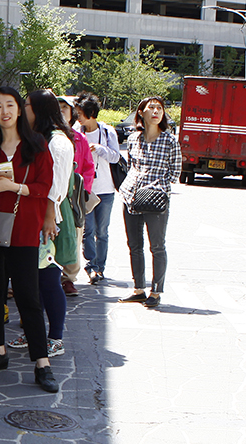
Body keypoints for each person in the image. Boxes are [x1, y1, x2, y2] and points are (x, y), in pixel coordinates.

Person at [0, 86, 58, 393]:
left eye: (10, 105)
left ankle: (42, 363)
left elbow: (43, 187)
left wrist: (13, 186)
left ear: (19, 109)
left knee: (28, 297)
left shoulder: (36, 145)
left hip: (23, 231)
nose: (4, 111)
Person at [26, 91, 76, 360]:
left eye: (26, 106)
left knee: (47, 279)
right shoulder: (40, 137)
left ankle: (55, 336)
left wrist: (47, 220)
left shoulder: (57, 142)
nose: (23, 111)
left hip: (48, 219)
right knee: (33, 281)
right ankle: (34, 331)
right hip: (35, 217)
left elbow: (55, 187)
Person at [118, 96, 181, 309]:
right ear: (141, 112)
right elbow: (131, 165)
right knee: (134, 245)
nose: (156, 111)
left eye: (160, 108)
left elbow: (175, 173)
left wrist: (155, 184)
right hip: (131, 196)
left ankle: (156, 291)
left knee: (157, 246)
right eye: (151, 107)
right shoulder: (134, 139)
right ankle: (138, 289)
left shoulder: (170, 140)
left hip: (156, 198)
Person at [75, 93, 120, 284]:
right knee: (88, 230)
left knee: (102, 231)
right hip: (86, 189)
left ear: (91, 113)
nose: (78, 117)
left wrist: (100, 148)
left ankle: (100, 268)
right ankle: (91, 266)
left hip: (106, 189)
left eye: (80, 113)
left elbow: (116, 157)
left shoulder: (108, 131)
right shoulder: (77, 131)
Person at [57, 95, 95, 296]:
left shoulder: (79, 138)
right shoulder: (43, 136)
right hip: (52, 195)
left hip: (74, 196)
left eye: (66, 107)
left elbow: (89, 167)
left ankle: (69, 278)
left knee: (74, 235)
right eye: (58, 107)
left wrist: (84, 191)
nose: (62, 110)